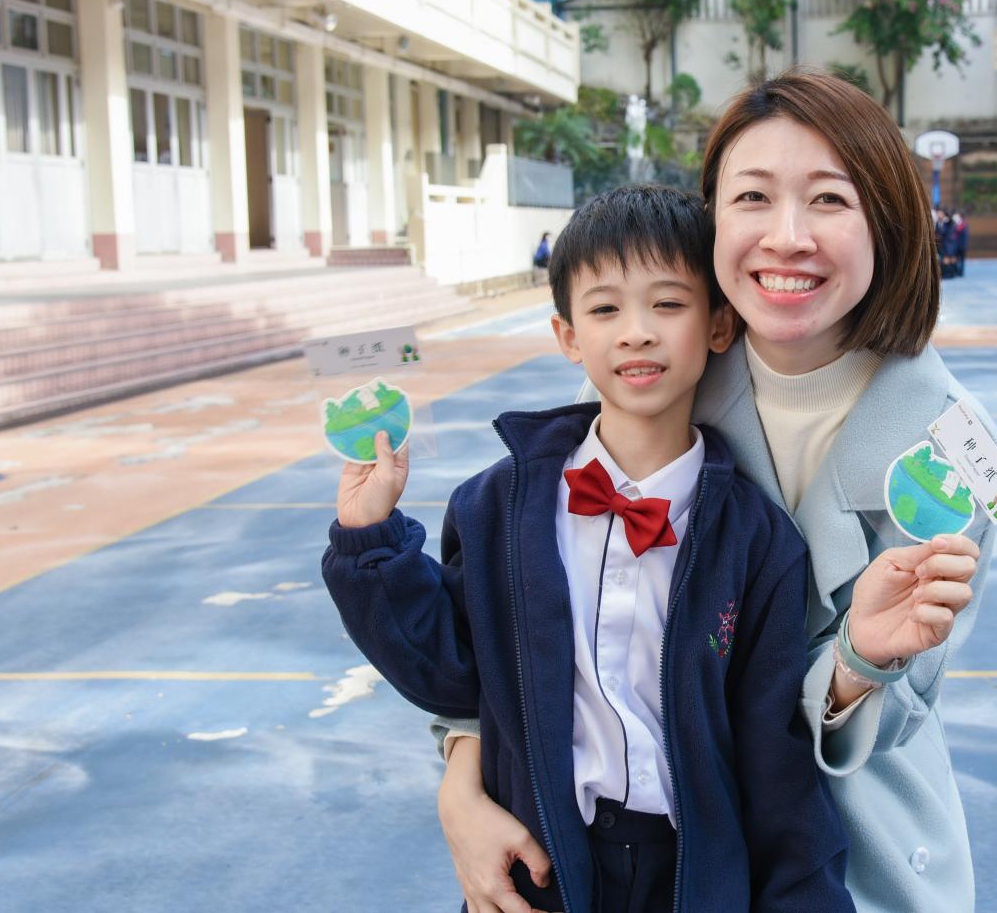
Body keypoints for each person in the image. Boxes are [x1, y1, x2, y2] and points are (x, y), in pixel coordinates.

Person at [434, 69, 994, 913]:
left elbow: (904, 706)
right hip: (652, 862)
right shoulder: (659, 370)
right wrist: (462, 782)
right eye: (753, 197)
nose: (787, 237)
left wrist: (859, 661)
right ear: (713, 221)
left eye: (829, 200)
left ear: (886, 220)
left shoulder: (957, 450)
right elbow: (529, 603)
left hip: (854, 852)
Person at [323, 185, 855, 913]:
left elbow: (773, 754)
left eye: (668, 304)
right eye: (605, 310)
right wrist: (369, 540)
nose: (636, 333)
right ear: (569, 336)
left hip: (690, 878)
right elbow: (447, 674)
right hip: (542, 870)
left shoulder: (756, 539)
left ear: (719, 324)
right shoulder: (495, 507)